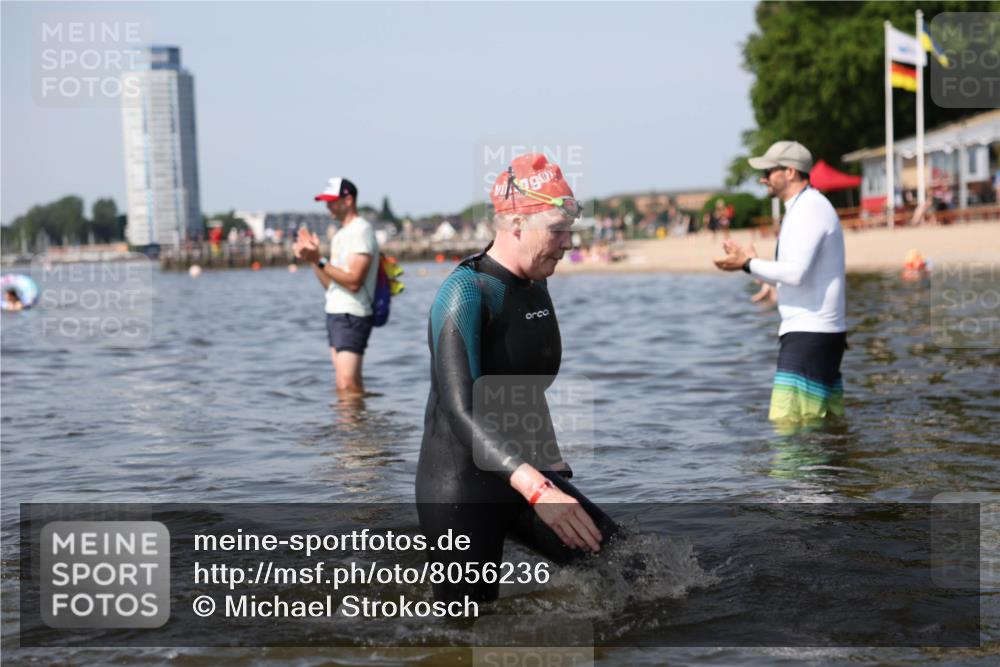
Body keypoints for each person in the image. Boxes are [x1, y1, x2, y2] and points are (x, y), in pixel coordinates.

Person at [417, 154, 620, 604]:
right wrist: (538, 486)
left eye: (570, 228)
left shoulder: (536, 285)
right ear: (514, 225)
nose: (568, 243)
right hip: (461, 487)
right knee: (466, 629)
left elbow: (525, 384)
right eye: (557, 230)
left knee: (630, 569)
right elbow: (460, 409)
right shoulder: (465, 293)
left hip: (524, 474)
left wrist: (548, 458)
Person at [713, 141, 847, 426]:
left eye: (769, 171)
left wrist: (747, 264)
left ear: (789, 171)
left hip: (810, 333)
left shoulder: (809, 208)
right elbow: (798, 274)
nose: (762, 178)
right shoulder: (803, 207)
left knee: (788, 430)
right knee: (822, 429)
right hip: (814, 332)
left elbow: (796, 273)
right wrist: (761, 274)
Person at [293, 177, 379, 394]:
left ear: (348, 200)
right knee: (345, 384)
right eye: (326, 201)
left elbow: (353, 282)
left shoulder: (361, 230)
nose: (327, 205)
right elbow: (331, 285)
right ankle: (352, 426)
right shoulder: (341, 234)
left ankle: (355, 427)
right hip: (336, 313)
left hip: (353, 314)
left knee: (348, 384)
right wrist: (313, 259)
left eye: (332, 200)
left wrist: (320, 259)